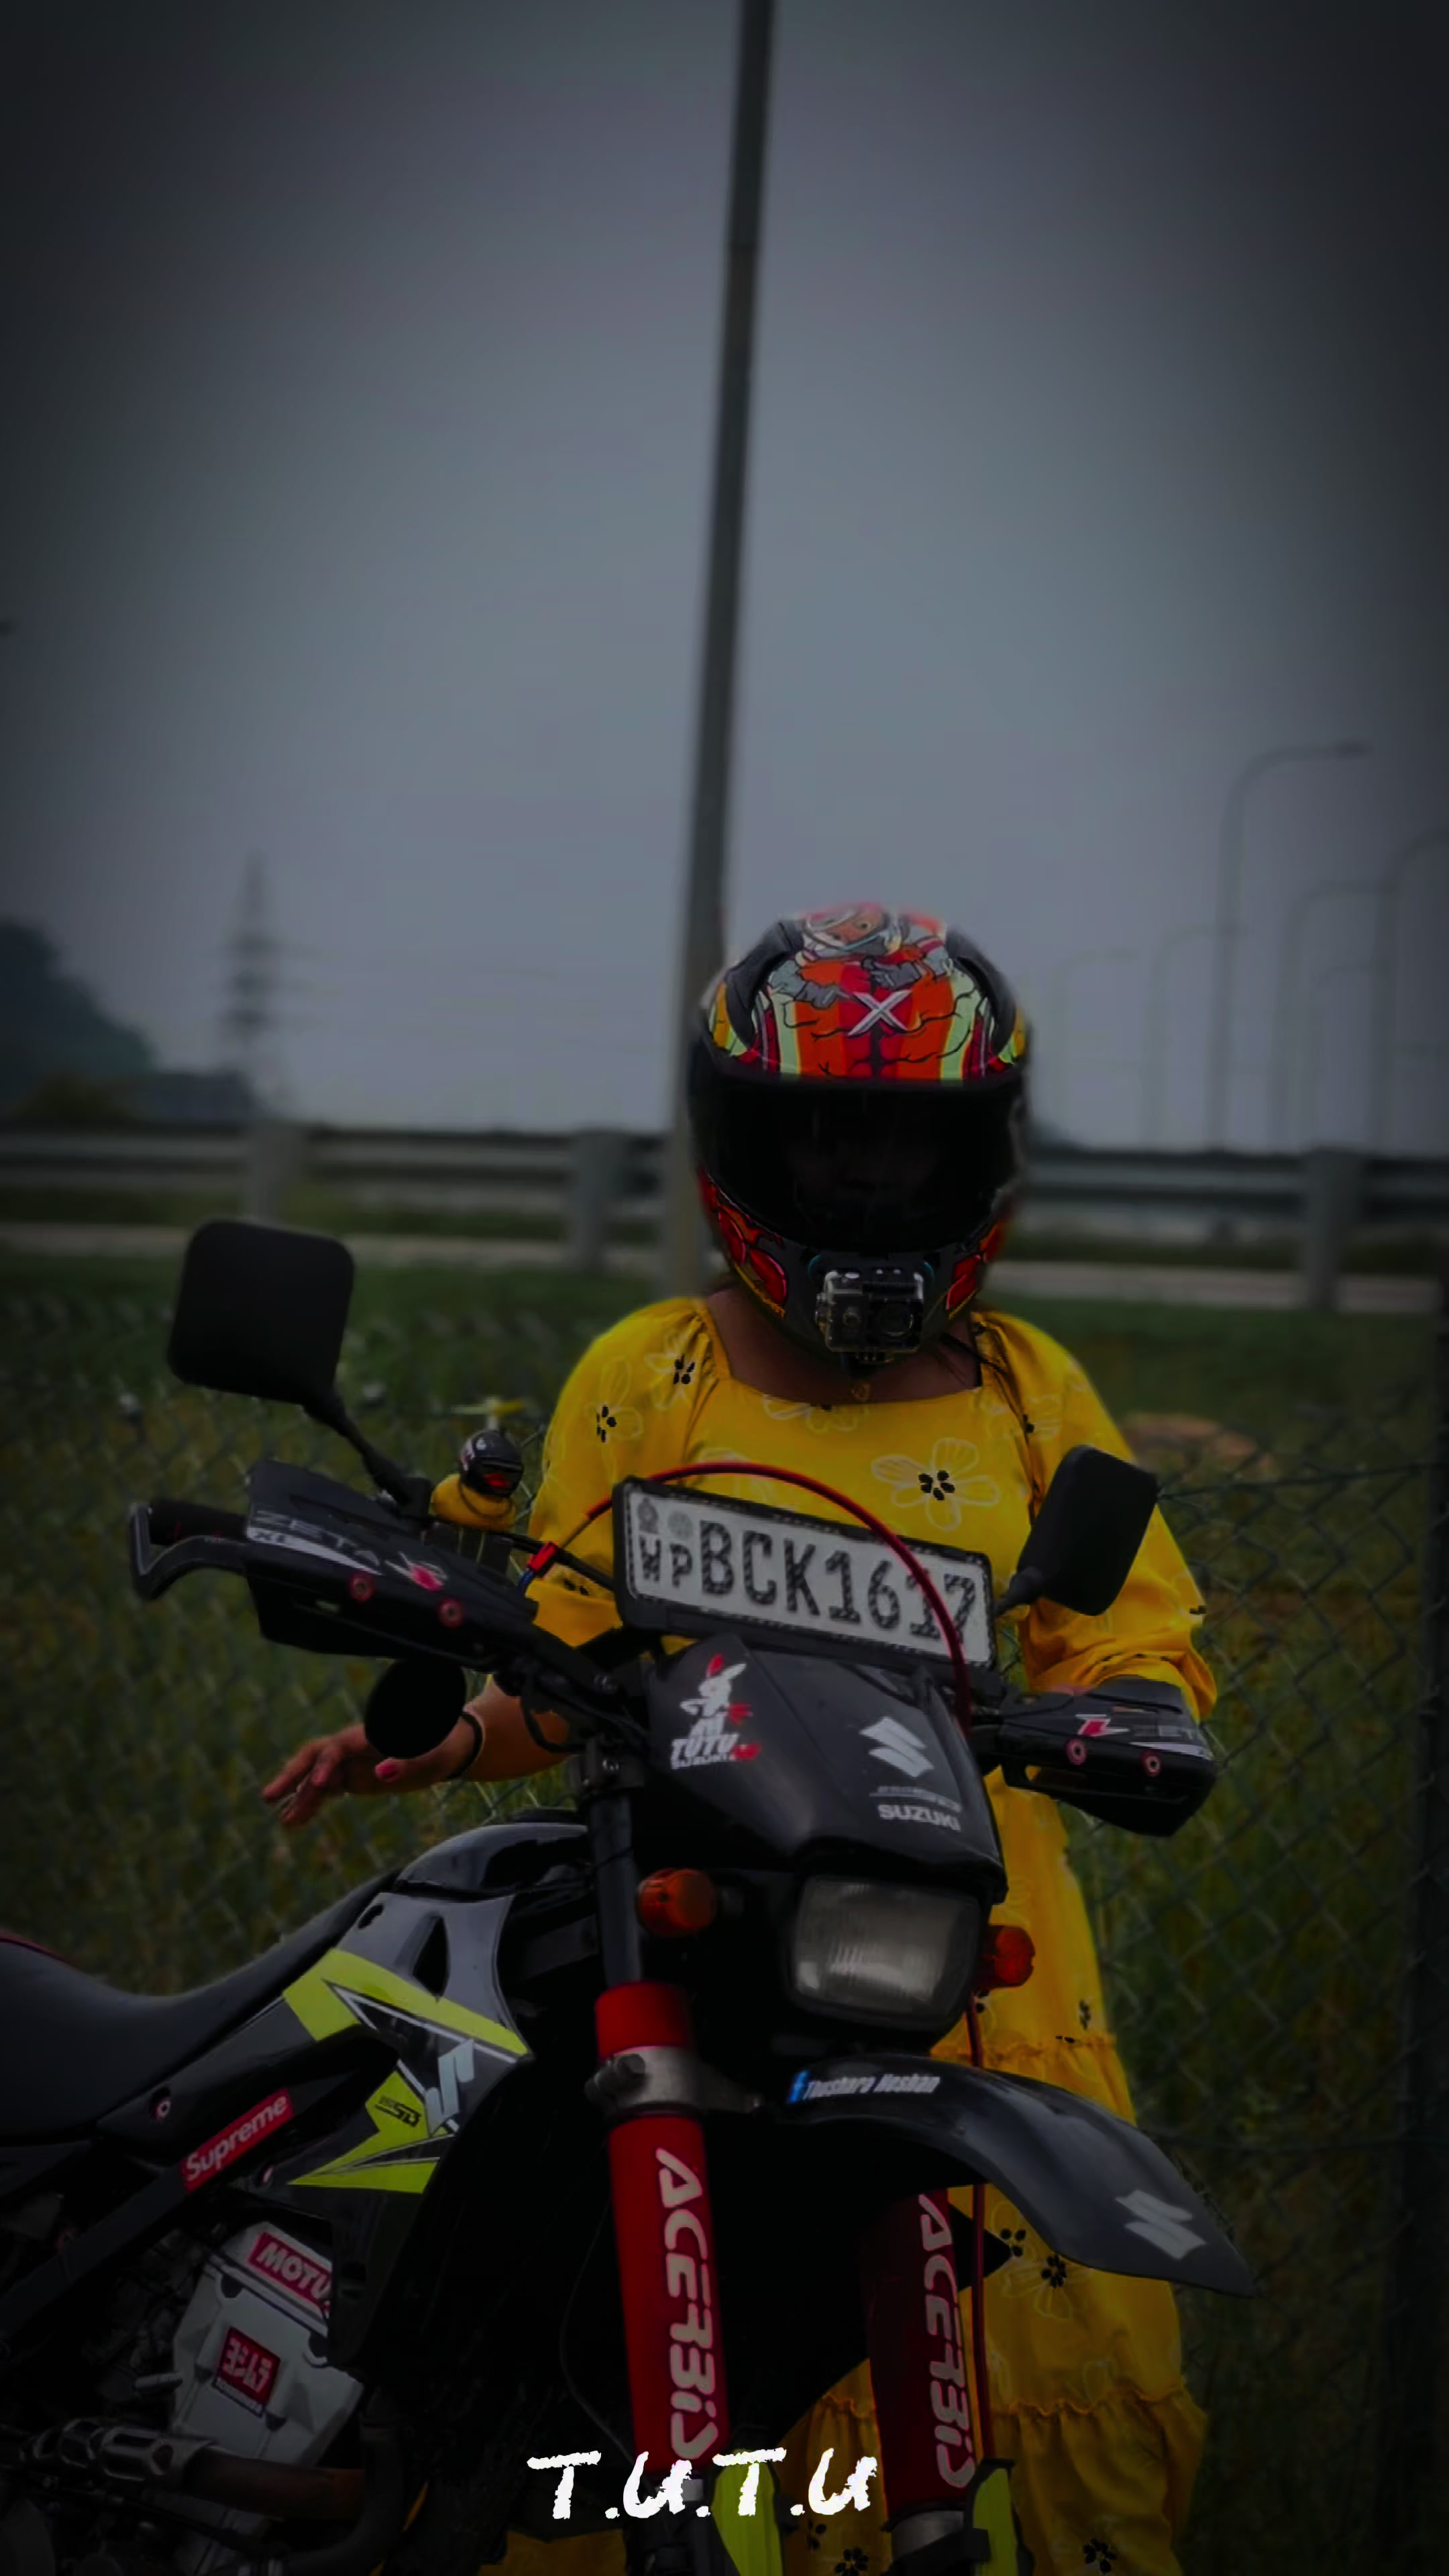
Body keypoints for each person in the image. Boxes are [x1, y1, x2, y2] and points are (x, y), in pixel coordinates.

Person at [264, 905, 1213, 2576]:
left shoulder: (1029, 1393)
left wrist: (1133, 1713)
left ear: (982, 1157)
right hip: (701, 1974)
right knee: (653, 2407)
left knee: (1053, 2450)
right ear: (742, 1146)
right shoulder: (654, 1376)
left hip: (964, 1988)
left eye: (908, 1149)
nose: (866, 1187)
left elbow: (1137, 1637)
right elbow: (564, 1648)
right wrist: (441, 1739)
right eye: (825, 1142)